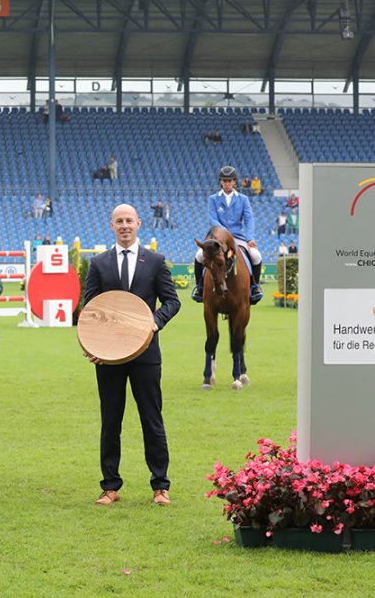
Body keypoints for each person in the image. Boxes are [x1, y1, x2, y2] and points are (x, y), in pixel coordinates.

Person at [83, 203, 180, 507]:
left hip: (146, 354)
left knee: (151, 419)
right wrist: (92, 346)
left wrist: (156, 322)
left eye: (129, 220)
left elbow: (172, 301)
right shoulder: (98, 264)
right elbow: (90, 310)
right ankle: (110, 486)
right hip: (109, 357)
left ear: (139, 224)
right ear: (111, 225)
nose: (124, 225)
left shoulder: (155, 261)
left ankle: (160, 486)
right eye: (119, 221)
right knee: (110, 421)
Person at [192, 166, 263, 305]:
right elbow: (212, 219)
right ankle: (200, 288)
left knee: (256, 255)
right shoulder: (213, 199)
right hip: (218, 238)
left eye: (230, 181)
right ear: (221, 182)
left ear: (235, 182)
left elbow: (249, 219)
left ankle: (254, 287)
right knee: (199, 256)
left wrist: (250, 238)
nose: (227, 183)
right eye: (224, 181)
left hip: (238, 237)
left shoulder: (243, 199)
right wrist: (224, 234)